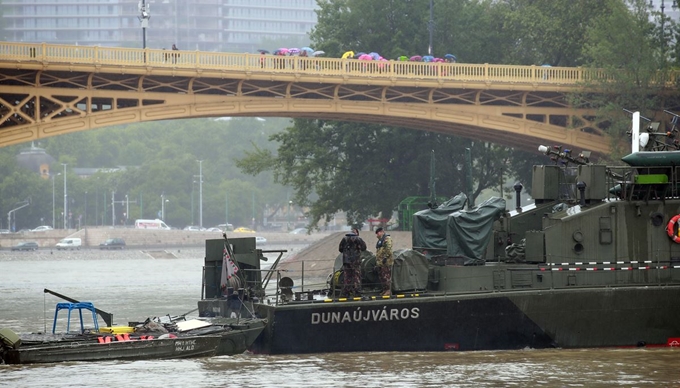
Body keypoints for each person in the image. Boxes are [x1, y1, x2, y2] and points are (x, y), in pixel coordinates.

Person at [338, 227, 366, 297]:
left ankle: (346, 292)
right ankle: (357, 292)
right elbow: (364, 247)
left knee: (347, 277)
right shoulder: (359, 239)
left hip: (346, 261)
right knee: (356, 276)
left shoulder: (344, 239)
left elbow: (340, 249)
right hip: (355, 261)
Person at [374, 227, 394, 296]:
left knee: (386, 276)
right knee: (381, 276)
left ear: (382, 232)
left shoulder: (387, 238)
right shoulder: (380, 241)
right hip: (380, 262)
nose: (377, 235)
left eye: (378, 233)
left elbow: (388, 249)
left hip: (386, 261)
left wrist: (385, 257)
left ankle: (388, 290)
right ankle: (385, 289)